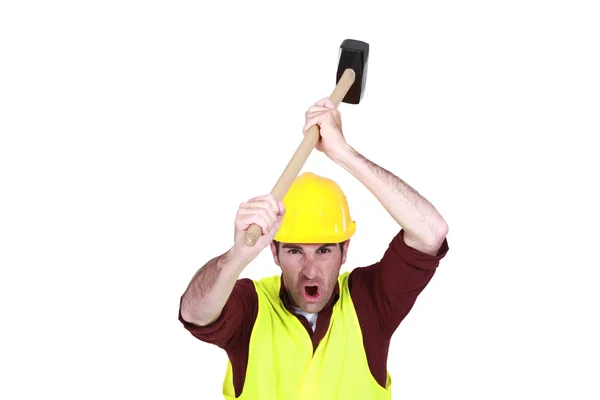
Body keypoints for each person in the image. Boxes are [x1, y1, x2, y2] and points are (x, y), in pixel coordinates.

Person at [178, 97, 450, 399]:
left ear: (345, 252)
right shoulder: (252, 307)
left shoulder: (368, 302)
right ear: (274, 252)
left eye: (324, 251)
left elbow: (431, 233)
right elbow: (194, 313)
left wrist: (343, 152)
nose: (310, 271)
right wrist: (237, 255)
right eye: (295, 251)